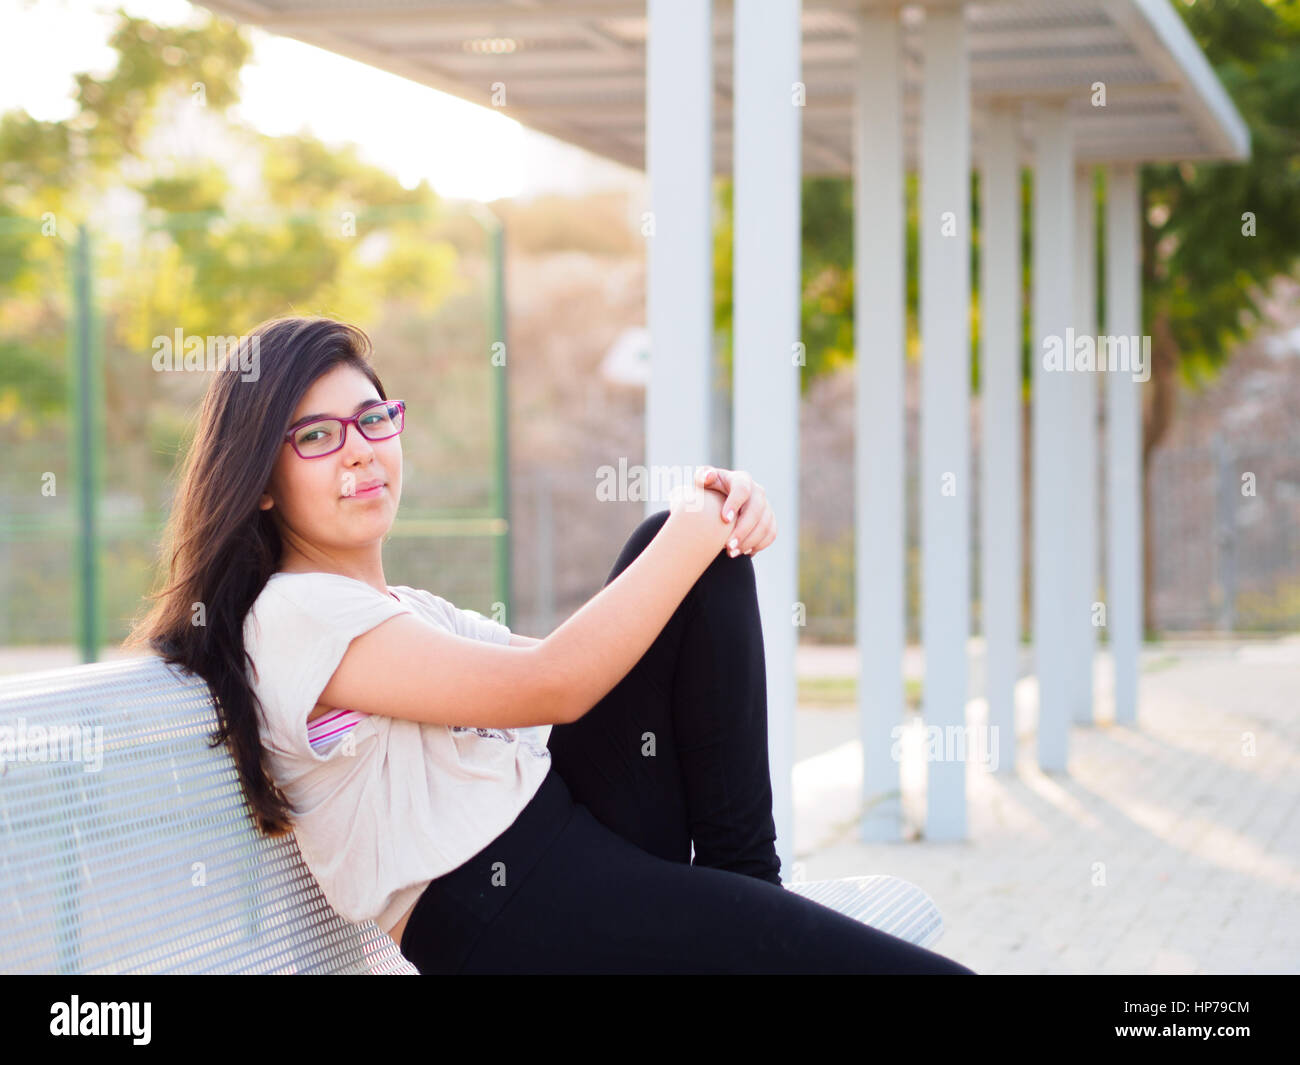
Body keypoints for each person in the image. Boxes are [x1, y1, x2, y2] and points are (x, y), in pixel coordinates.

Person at [126, 314, 975, 975]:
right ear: (262, 482)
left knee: (684, 559)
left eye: (373, 419)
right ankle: (749, 916)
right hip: (509, 917)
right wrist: (695, 518)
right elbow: (555, 684)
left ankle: (747, 893)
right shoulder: (291, 614)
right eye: (316, 436)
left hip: (565, 849)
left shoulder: (402, 607)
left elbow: (617, 665)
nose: (360, 452)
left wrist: (716, 511)